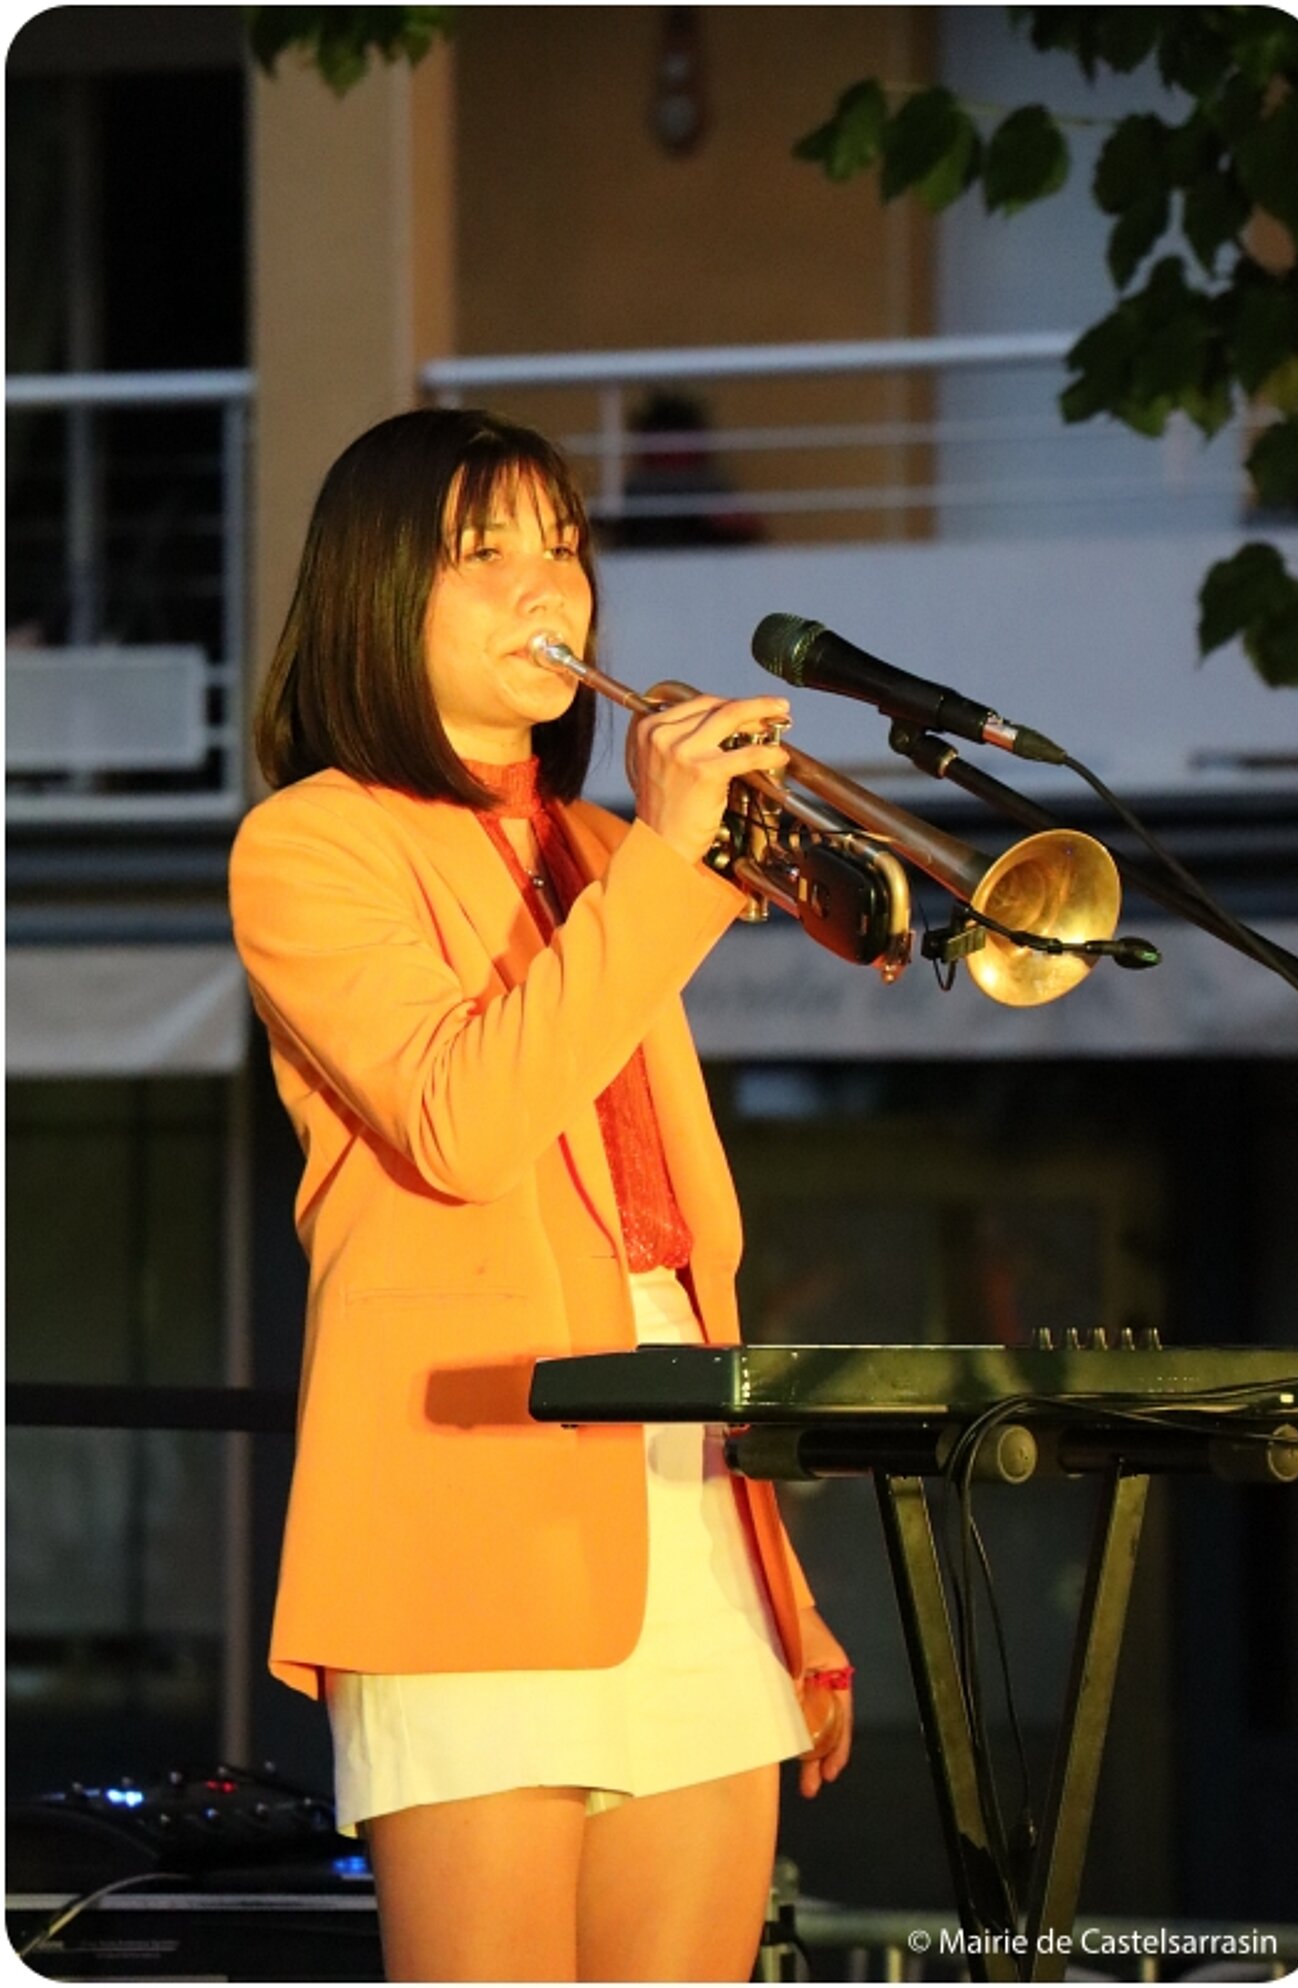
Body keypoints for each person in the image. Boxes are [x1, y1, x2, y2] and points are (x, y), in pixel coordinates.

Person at [228, 407, 854, 1983]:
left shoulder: (603, 847)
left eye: (561, 544)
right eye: (483, 550)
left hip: (685, 1501)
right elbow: (464, 1120)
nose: (546, 588)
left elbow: (682, 1248)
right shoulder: (311, 844)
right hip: (466, 1503)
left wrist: (782, 1588)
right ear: (381, 595)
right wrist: (669, 860)